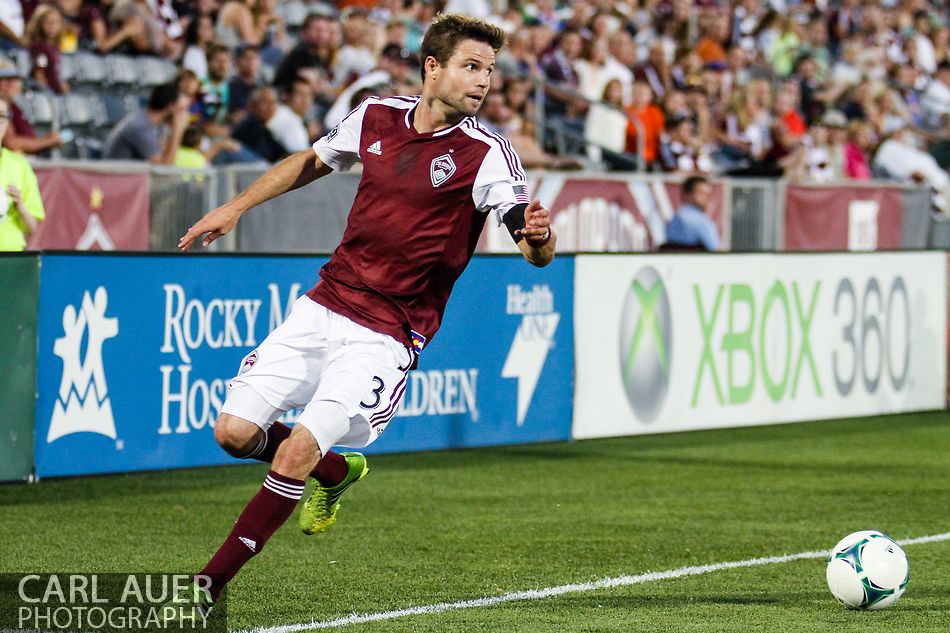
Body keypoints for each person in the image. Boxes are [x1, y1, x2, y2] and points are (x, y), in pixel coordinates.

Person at [171, 13, 555, 615]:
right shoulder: (375, 115)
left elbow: (529, 245)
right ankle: (334, 472)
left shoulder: (488, 153)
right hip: (325, 304)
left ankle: (207, 586)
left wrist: (538, 237)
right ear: (433, 67)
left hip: (388, 334)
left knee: (293, 447)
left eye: (490, 71)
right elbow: (311, 161)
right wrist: (236, 206)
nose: (484, 81)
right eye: (471, 67)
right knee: (233, 433)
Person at [102, 82, 189, 163]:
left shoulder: (154, 124)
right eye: (181, 110)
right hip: (117, 177)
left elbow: (165, 152)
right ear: (170, 107)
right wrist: (178, 130)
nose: (184, 115)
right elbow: (165, 165)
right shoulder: (140, 127)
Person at [0, 95, 44, 251]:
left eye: (2, 116)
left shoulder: (20, 166)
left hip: (11, 257)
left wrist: (20, 206)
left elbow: (31, 228)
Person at [663, 175, 719, 251]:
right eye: (702, 193)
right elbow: (715, 250)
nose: (707, 198)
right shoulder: (702, 222)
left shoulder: (671, 221)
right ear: (688, 194)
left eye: (708, 194)